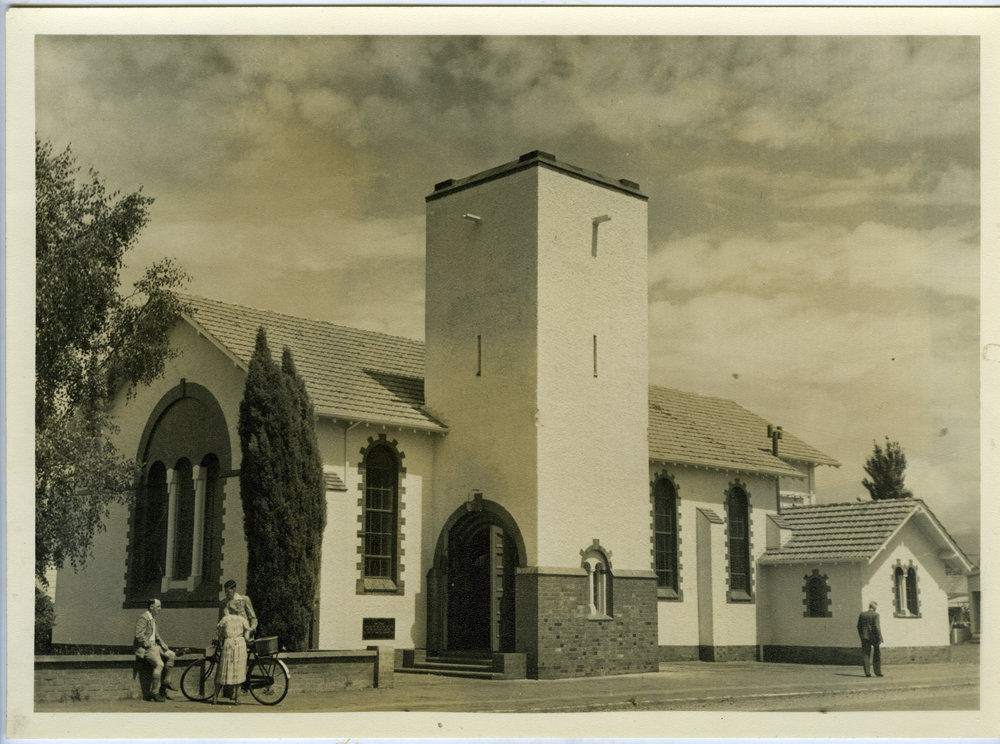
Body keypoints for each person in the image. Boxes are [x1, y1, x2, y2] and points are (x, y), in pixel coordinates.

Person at [134, 598, 177, 702]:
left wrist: (162, 643)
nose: (160, 609)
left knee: (171, 655)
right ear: (151, 607)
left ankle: (166, 681)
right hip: (146, 648)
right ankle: (154, 692)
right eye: (158, 606)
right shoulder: (143, 618)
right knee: (160, 664)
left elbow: (155, 634)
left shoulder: (153, 618)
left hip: (155, 646)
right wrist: (148, 643)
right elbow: (138, 635)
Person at [213, 603, 251, 704]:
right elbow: (247, 637)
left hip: (228, 644)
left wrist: (220, 641)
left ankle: (215, 698)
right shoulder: (243, 620)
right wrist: (249, 640)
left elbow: (219, 633)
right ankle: (237, 699)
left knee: (223, 670)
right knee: (238, 672)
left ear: (229, 609)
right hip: (240, 645)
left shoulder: (225, 619)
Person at [857, 600, 884, 678]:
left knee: (866, 654)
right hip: (874, 637)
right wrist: (880, 638)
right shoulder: (876, 615)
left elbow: (858, 626)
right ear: (874, 607)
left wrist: (862, 635)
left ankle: (867, 673)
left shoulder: (862, 614)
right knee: (877, 654)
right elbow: (877, 627)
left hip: (864, 637)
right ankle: (877, 672)